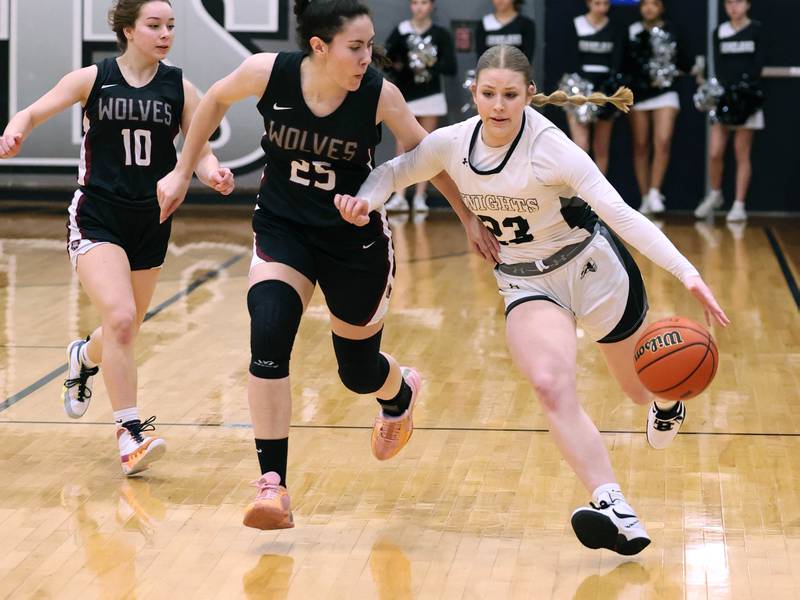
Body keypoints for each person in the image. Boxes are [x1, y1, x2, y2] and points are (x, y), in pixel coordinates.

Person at [335, 44, 730, 555]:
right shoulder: (451, 143)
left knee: (641, 389)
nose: (498, 105)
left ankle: (666, 400)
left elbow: (622, 214)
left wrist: (688, 273)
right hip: (525, 281)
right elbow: (394, 170)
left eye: (511, 95)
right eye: (489, 94)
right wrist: (365, 198)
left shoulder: (552, 149)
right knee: (549, 384)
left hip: (592, 269)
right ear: (472, 92)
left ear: (529, 97)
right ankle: (614, 506)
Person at [156, 0, 497, 531]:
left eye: (368, 46)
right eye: (355, 47)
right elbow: (214, 100)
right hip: (283, 228)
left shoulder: (379, 94)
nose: (367, 57)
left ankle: (399, 392)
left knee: (357, 372)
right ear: (319, 46)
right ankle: (273, 486)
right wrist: (182, 172)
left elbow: (425, 153)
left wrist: (469, 218)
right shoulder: (269, 73)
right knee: (267, 340)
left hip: (353, 241)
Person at [0, 0, 234, 476]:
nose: (165, 33)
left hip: (151, 220)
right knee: (122, 319)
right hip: (97, 216)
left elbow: (200, 152)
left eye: (170, 25)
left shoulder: (180, 88)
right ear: (128, 30)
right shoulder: (93, 79)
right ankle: (130, 435)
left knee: (124, 330)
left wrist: (216, 174)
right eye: (154, 25)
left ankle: (83, 356)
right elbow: (31, 111)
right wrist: (14, 129)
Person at [694, 0, 764, 222]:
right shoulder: (719, 32)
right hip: (723, 98)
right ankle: (715, 194)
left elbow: (758, 64)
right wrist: (725, 92)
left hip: (747, 99)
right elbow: (719, 65)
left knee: (741, 152)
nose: (734, 7)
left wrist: (742, 90)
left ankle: (739, 204)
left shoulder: (756, 30)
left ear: (748, 4)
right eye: (729, 3)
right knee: (715, 152)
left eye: (738, 2)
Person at [384, 0, 456, 213]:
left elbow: (450, 66)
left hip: (431, 94)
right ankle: (399, 196)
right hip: (406, 95)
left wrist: (431, 66)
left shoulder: (439, 33)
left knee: (427, 144)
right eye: (415, 2)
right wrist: (403, 67)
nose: (419, 7)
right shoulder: (402, 30)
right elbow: (387, 58)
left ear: (432, 6)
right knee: (402, 145)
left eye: (424, 2)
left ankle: (420, 196)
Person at [623, 0, 692, 214]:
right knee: (641, 145)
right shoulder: (632, 30)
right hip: (639, 93)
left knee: (662, 141)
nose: (649, 8)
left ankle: (655, 191)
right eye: (645, 4)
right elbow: (624, 62)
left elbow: (685, 62)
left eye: (654, 3)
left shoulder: (672, 30)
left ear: (662, 7)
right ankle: (644, 197)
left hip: (666, 92)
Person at [564, 0, 623, 175]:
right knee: (580, 146)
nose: (602, 8)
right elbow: (568, 58)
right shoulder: (576, 24)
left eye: (605, 4)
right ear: (588, 3)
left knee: (601, 147)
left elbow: (617, 61)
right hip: (578, 89)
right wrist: (577, 89)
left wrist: (611, 88)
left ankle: (597, 199)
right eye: (597, 3)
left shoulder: (615, 27)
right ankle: (579, 195)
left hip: (605, 90)